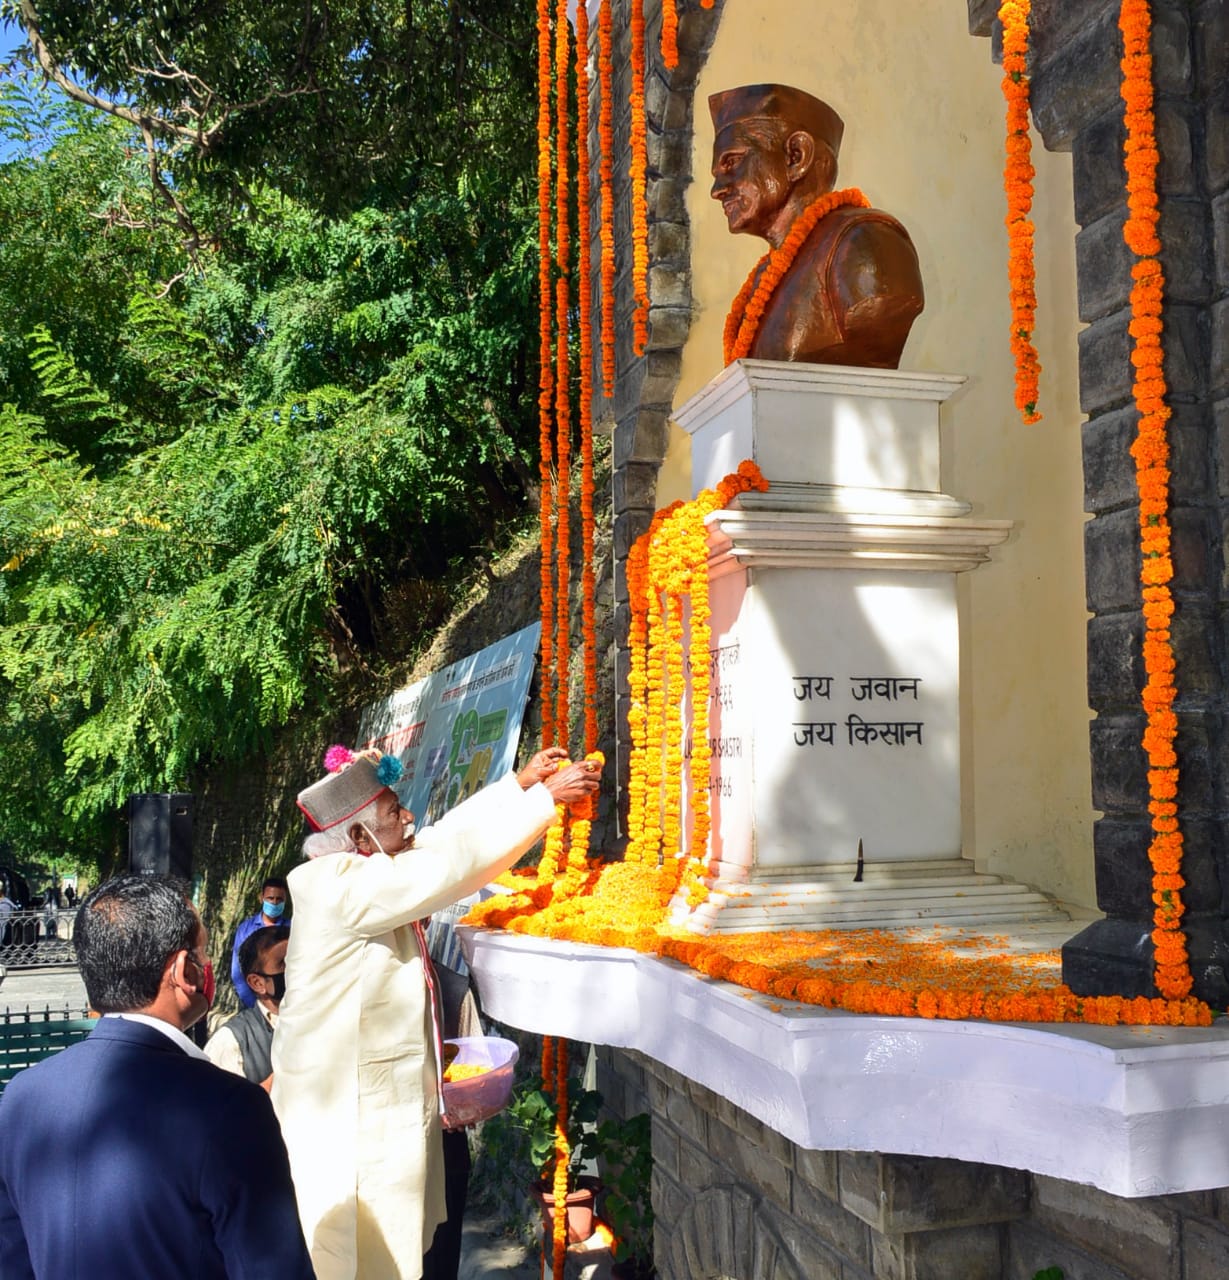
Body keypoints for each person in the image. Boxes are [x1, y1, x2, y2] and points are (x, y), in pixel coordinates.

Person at [272, 743, 602, 1280]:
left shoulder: (370, 866)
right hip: (346, 1120)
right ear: (358, 838)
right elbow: (446, 867)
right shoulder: (336, 887)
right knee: (357, 1256)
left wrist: (515, 788)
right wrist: (543, 802)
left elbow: (438, 840)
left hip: (374, 1106)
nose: (409, 817)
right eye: (392, 812)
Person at [0, 873, 315, 1280]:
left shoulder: (21, 1097)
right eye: (202, 954)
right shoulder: (229, 1108)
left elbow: (11, 1260)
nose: (208, 967)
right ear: (185, 971)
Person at [710, 82, 924, 368]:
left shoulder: (864, 241)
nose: (717, 190)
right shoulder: (764, 277)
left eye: (732, 162)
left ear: (796, 156)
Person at [205, 923, 290, 1088]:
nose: (295, 969)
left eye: (297, 959)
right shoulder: (230, 1042)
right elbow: (224, 1109)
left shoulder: (326, 1020)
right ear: (257, 983)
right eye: (284, 963)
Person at [230, 874, 290, 1007]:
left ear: (285, 900)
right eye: (270, 898)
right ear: (261, 898)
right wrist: (252, 1003)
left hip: (285, 1002)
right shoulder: (245, 929)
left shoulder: (291, 929)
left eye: (279, 899)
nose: (274, 903)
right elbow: (237, 970)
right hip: (251, 1002)